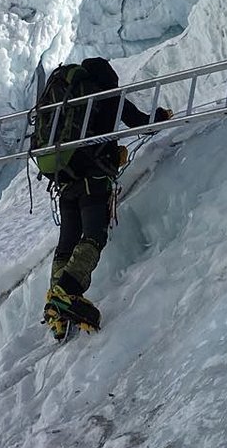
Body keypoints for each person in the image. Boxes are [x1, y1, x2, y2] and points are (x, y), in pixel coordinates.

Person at [43, 56, 171, 338]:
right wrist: (163, 116)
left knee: (67, 243)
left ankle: (55, 308)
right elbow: (143, 123)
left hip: (64, 181)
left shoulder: (67, 104)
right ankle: (67, 291)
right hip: (94, 180)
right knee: (94, 236)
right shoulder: (108, 97)